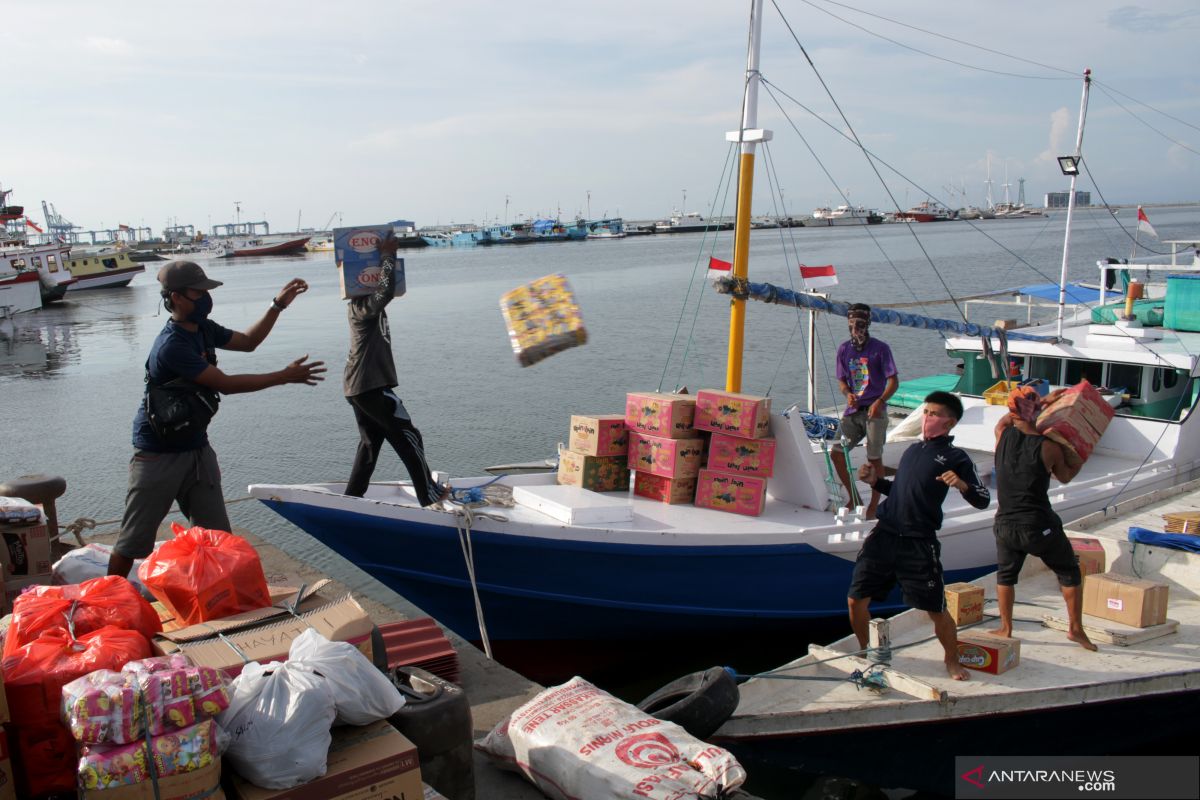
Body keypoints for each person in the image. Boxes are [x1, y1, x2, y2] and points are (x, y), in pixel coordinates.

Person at [108, 261, 326, 579]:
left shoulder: (204, 329)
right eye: (200, 292)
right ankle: (108, 597)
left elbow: (249, 342)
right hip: (158, 454)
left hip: (197, 448)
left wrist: (277, 305)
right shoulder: (172, 346)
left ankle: (219, 597)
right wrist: (284, 376)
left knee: (218, 537)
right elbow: (225, 384)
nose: (207, 298)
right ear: (177, 297)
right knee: (134, 541)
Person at [847, 390, 991, 680]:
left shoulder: (956, 457)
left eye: (934, 414)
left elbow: (983, 499)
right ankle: (865, 649)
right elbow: (898, 490)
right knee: (855, 599)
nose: (927, 418)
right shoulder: (913, 450)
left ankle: (952, 660)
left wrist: (961, 484)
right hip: (884, 535)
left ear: (949, 423)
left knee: (936, 609)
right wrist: (875, 481)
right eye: (926, 413)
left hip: (919, 542)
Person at [344, 231, 446, 505]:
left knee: (370, 444)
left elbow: (385, 292)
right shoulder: (362, 306)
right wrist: (388, 255)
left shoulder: (364, 307)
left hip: (358, 387)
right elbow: (385, 290)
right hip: (371, 386)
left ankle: (352, 497)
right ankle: (429, 495)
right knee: (408, 436)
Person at [991, 386, 1096, 651]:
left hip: (1004, 525)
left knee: (1006, 576)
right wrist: (1081, 455)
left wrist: (1040, 402)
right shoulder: (1049, 448)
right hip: (1038, 527)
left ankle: (1005, 628)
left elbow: (1006, 418)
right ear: (1037, 412)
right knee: (1069, 572)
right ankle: (1075, 629)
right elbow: (1066, 476)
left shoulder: (1001, 435)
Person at [830, 303, 898, 518]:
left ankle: (874, 505)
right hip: (853, 412)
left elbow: (893, 381)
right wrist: (847, 394)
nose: (855, 328)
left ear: (867, 323)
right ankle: (854, 497)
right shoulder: (844, 349)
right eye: (851, 323)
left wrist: (880, 402)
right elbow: (842, 380)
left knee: (874, 457)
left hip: (874, 412)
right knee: (837, 454)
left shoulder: (881, 348)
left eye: (860, 323)